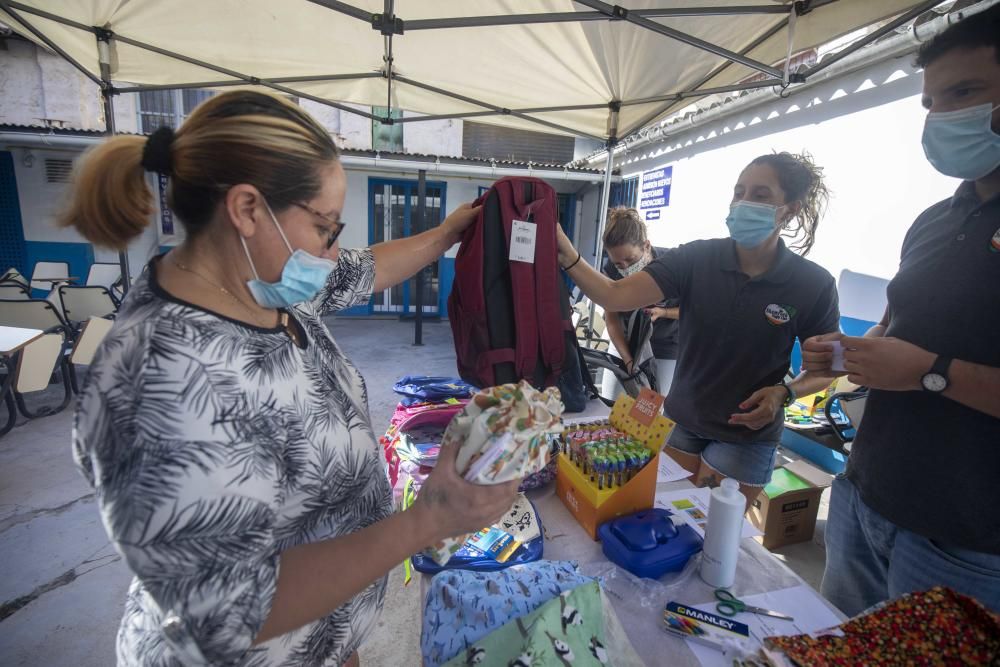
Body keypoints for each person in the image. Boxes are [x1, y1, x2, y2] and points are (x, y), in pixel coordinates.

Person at [61, 90, 519, 666]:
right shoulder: (162, 376)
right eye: (325, 226)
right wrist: (427, 520)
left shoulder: (263, 285)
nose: (331, 251)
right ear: (248, 209)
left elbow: (366, 268)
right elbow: (228, 612)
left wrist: (448, 234)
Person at [807, 5, 1000, 616]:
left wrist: (927, 372)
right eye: (932, 103)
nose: (942, 116)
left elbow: (917, 361)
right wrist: (841, 352)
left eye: (965, 92)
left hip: (963, 541)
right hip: (865, 499)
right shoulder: (933, 221)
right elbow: (893, 329)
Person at [558, 152, 840, 507]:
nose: (743, 202)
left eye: (761, 194)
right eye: (739, 191)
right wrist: (566, 253)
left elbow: (824, 370)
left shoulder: (812, 284)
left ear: (790, 209)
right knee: (669, 520)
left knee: (716, 540)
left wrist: (785, 393)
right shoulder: (696, 259)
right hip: (681, 424)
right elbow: (615, 297)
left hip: (746, 437)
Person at [601, 207, 681, 395]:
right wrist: (628, 361)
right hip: (625, 342)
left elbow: (695, 309)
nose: (625, 268)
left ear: (646, 246)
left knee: (648, 412)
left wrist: (664, 312)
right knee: (612, 402)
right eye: (618, 264)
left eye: (631, 259)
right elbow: (611, 320)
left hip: (665, 347)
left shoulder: (672, 265)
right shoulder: (610, 271)